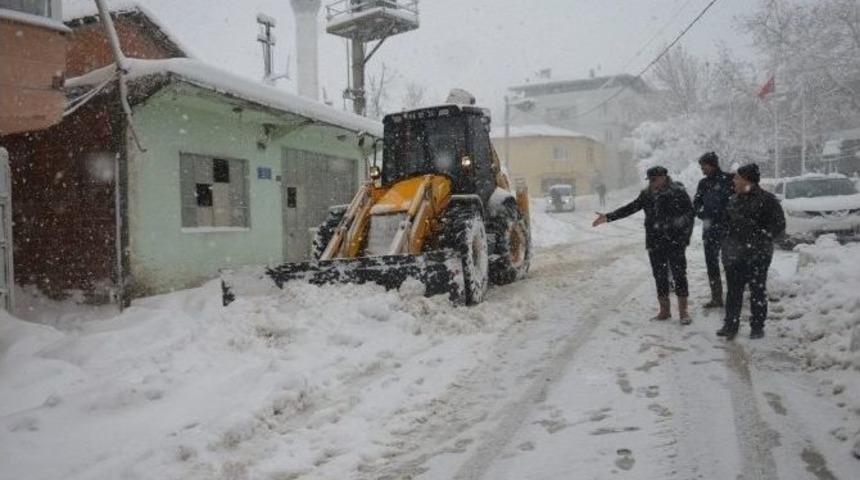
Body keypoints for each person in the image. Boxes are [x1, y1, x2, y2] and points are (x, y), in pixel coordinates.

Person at [593, 166, 694, 324]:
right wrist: (608, 217)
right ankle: (664, 311)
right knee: (659, 276)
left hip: (675, 242)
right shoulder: (647, 194)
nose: (652, 183)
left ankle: (684, 312)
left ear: (664, 177)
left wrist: (684, 239)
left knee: (679, 274)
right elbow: (631, 208)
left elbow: (689, 215)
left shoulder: (678, 192)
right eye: (650, 180)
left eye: (654, 179)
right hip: (655, 242)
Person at [717, 163, 786, 340]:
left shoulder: (767, 200)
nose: (734, 180)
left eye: (737, 178)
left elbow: (779, 226)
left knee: (757, 290)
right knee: (733, 291)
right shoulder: (733, 199)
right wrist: (725, 245)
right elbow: (725, 225)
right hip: (734, 255)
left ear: (747, 180)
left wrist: (759, 236)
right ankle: (730, 324)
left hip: (758, 255)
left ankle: (757, 326)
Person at [692, 152, 734, 308]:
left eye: (704, 166)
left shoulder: (729, 179)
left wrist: (727, 215)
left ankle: (733, 297)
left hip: (728, 229)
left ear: (712, 165)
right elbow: (696, 203)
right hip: (709, 229)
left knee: (730, 264)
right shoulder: (703, 183)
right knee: (711, 264)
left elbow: (738, 201)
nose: (702, 169)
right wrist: (702, 213)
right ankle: (716, 297)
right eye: (701, 167)